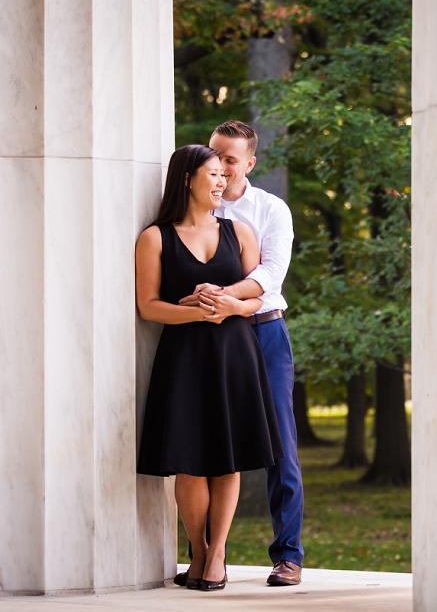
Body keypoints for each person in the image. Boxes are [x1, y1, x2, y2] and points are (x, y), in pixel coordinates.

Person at [136, 144, 284, 592]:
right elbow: (148, 306)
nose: (222, 182)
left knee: (227, 459)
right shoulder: (155, 237)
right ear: (187, 179)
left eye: (224, 174)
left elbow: (261, 297)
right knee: (190, 462)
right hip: (184, 357)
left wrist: (229, 306)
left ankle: (217, 554)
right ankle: (198, 553)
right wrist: (198, 312)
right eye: (213, 174)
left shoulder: (240, 232)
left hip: (234, 355)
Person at [178, 120, 304, 586]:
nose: (221, 167)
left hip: (262, 331)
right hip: (209, 338)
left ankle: (288, 554)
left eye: (230, 159)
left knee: (281, 445)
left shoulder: (270, 210)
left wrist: (229, 298)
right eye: (215, 156)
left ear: (249, 163)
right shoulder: (190, 207)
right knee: (209, 442)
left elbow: (272, 272)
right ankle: (207, 555)